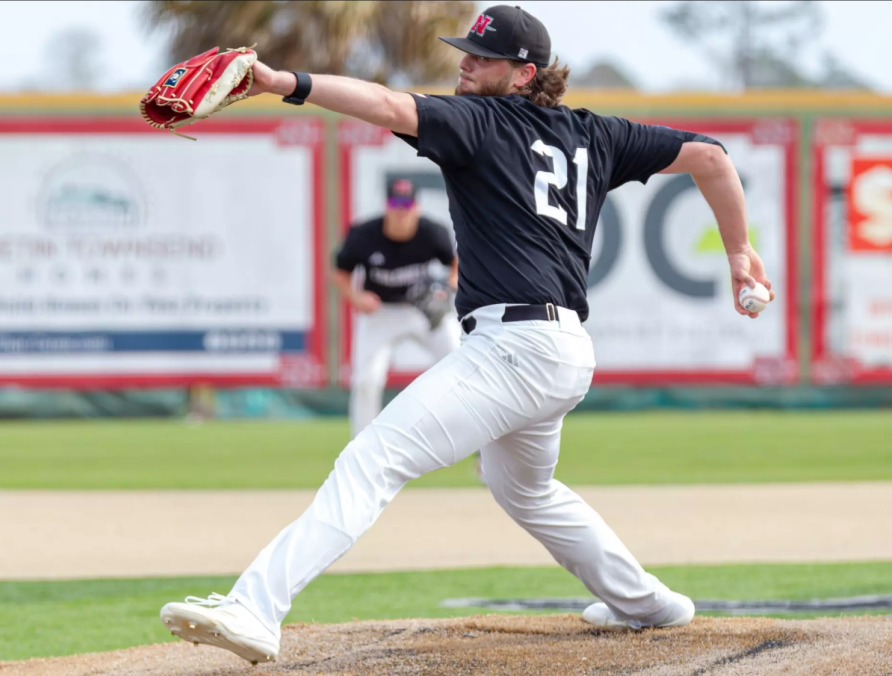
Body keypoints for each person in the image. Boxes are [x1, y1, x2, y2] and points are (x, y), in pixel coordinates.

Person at [159, 5, 775, 666]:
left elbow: (389, 107)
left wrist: (285, 82)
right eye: (467, 52)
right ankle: (648, 604)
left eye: (482, 57)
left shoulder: (479, 121)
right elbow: (711, 158)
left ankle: (256, 607)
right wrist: (739, 253)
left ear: (523, 73)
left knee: (372, 461)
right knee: (526, 490)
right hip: (562, 352)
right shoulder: (595, 135)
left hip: (512, 349)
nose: (465, 63)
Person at [335, 177, 460, 438]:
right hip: (381, 312)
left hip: (423, 310)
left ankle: (480, 445)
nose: (401, 210)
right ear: (387, 206)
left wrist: (447, 289)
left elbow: (456, 265)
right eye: (396, 203)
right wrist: (356, 297)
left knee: (462, 364)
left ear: (417, 207)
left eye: (407, 203)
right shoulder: (364, 234)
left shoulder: (432, 232)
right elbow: (340, 272)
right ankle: (362, 447)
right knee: (366, 381)